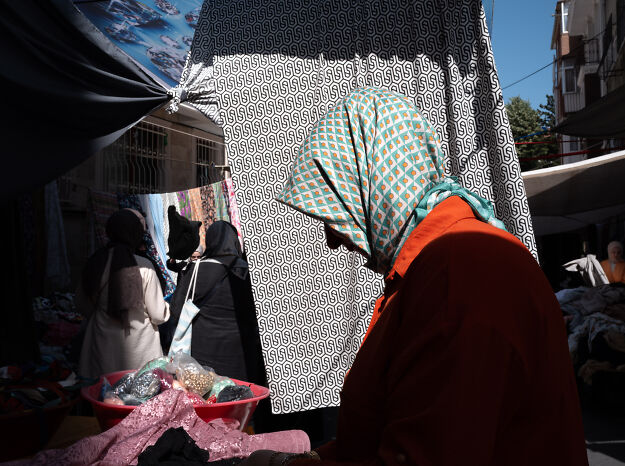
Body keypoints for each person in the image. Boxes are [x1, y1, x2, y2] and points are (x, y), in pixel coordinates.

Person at [241, 88, 588, 465]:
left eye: (335, 213)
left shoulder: (460, 273)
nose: (332, 239)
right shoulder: (434, 267)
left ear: (374, 184)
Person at [167, 221, 266, 386]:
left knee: (209, 402)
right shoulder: (249, 272)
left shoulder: (195, 270)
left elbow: (176, 310)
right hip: (242, 355)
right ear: (234, 241)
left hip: (203, 359)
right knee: (243, 399)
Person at [77, 209, 170, 378]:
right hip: (140, 351)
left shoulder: (95, 263)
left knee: (104, 397)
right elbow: (158, 314)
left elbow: (82, 306)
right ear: (136, 234)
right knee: (138, 400)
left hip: (101, 348)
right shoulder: (144, 266)